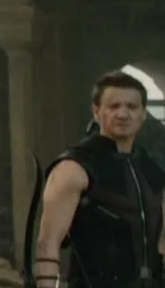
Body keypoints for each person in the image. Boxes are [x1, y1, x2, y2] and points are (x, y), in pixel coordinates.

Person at [29, 71, 165, 288]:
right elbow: (48, 243)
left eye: (131, 107)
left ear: (143, 113)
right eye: (114, 106)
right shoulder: (75, 167)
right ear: (96, 111)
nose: (123, 114)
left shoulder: (152, 170)